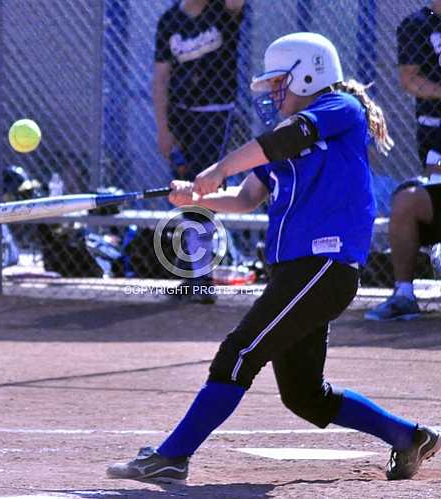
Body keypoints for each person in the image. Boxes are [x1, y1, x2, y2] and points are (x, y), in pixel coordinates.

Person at [107, 32, 439, 483]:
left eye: (281, 82)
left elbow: (280, 142)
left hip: (323, 265)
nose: (274, 92)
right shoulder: (285, 136)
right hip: (299, 272)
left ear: (310, 72)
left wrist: (218, 168)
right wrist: (193, 198)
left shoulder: (339, 109)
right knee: (304, 395)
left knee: (239, 352)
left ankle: (173, 456)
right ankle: (408, 436)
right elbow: (245, 198)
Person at [153, 0, 245, 303]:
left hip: (215, 113)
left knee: (204, 187)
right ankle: (194, 269)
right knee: (183, 189)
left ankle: (201, 276)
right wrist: (164, 130)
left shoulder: (222, 10)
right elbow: (161, 78)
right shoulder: (169, 20)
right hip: (181, 115)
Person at [365, 1, 441, 321]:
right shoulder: (417, 24)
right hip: (435, 138)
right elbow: (409, 80)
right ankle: (404, 295)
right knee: (407, 201)